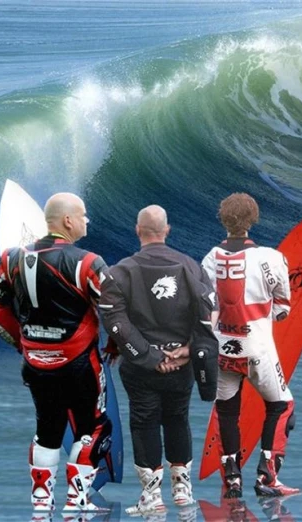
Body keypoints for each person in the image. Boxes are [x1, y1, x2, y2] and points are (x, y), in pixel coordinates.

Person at [0, 192, 111, 512]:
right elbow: (115, 311)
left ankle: (41, 501)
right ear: (68, 221)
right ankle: (77, 500)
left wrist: (24, 343)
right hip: (80, 364)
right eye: (83, 216)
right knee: (93, 428)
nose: (86, 221)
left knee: (48, 427)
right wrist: (122, 344)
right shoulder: (88, 262)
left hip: (36, 364)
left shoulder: (11, 258)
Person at [99, 205, 218, 516]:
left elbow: (114, 320)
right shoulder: (190, 266)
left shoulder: (119, 271)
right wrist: (190, 349)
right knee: (178, 417)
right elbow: (209, 314)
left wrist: (150, 356)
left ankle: (152, 497)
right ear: (167, 231)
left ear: (138, 231)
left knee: (144, 420)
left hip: (140, 367)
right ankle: (182, 489)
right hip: (182, 364)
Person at [201, 193, 298, 499]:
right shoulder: (271, 258)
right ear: (253, 220)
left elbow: (205, 308)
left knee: (227, 412)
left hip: (222, 350)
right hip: (257, 350)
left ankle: (232, 480)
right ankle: (267, 478)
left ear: (222, 219)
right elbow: (283, 309)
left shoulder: (208, 259)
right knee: (282, 408)